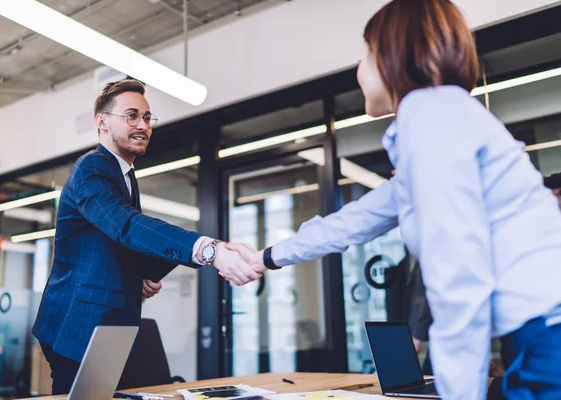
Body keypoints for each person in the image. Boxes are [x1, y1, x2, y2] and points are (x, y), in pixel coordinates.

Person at [229, 0, 561, 398]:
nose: (358, 70)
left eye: (365, 54)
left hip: (548, 338)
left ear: (392, 55)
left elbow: (458, 276)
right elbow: (354, 221)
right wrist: (266, 257)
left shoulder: (429, 118)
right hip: (538, 334)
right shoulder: (443, 121)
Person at [32, 79, 260, 394]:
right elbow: (125, 225)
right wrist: (208, 249)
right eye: (131, 115)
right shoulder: (92, 168)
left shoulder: (125, 175)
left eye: (147, 117)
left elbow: (110, 242)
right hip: (77, 324)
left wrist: (140, 273)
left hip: (106, 323)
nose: (143, 125)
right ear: (102, 121)